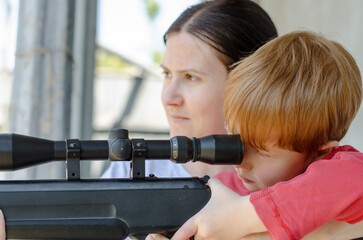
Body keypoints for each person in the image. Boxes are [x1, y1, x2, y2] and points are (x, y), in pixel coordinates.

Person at [149, 31, 363, 240]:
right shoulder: (225, 190)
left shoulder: (342, 172)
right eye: (235, 141)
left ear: (320, 151)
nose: (241, 161)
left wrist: (245, 214)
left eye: (260, 151)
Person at [102, 0, 278, 179]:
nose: (168, 97)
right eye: (167, 74)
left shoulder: (292, 185)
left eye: (191, 77)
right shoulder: (131, 171)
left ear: (251, 85)